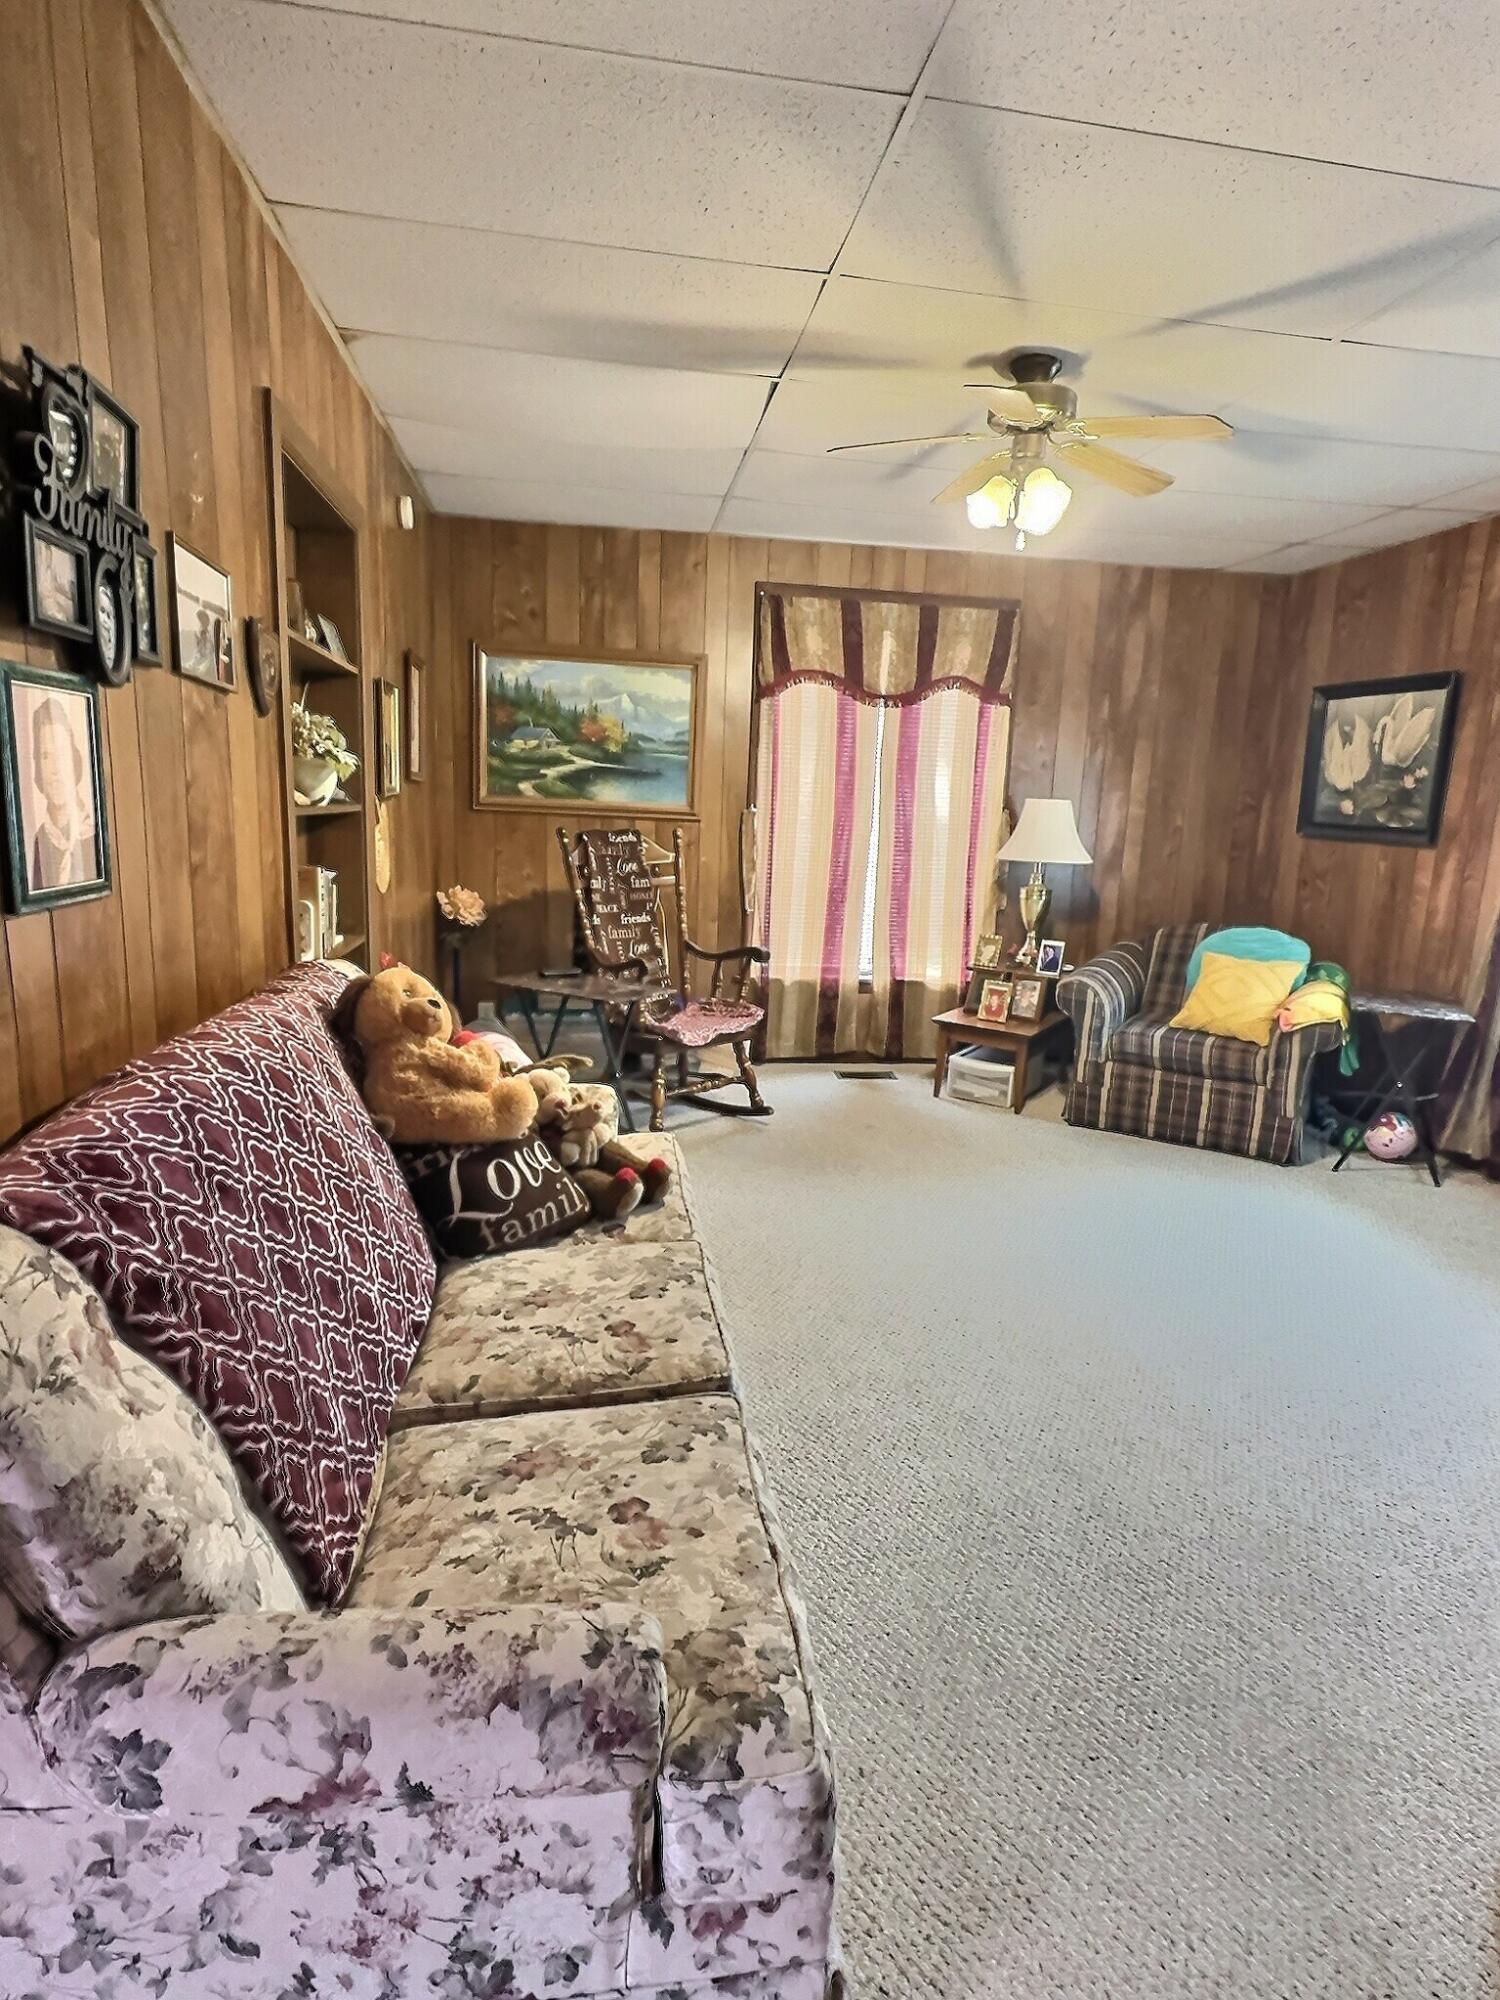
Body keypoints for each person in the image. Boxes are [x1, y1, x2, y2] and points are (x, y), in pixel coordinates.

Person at [27, 694, 94, 890]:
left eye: (62, 753)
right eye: (46, 756)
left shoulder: (93, 834)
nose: (55, 769)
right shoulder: (39, 842)